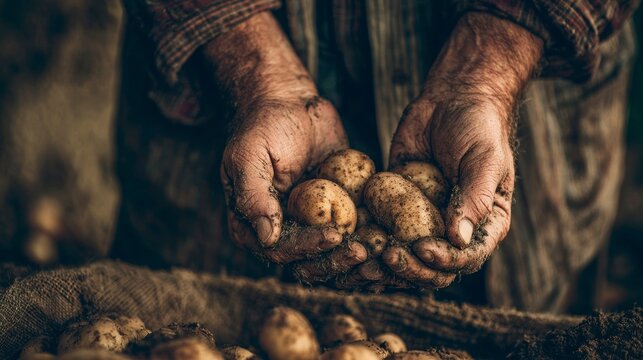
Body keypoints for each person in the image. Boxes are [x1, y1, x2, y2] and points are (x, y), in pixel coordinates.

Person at [113, 0, 638, 312]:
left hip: (535, 104)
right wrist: (259, 74)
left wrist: (487, 70)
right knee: (208, 327)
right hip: (217, 116)